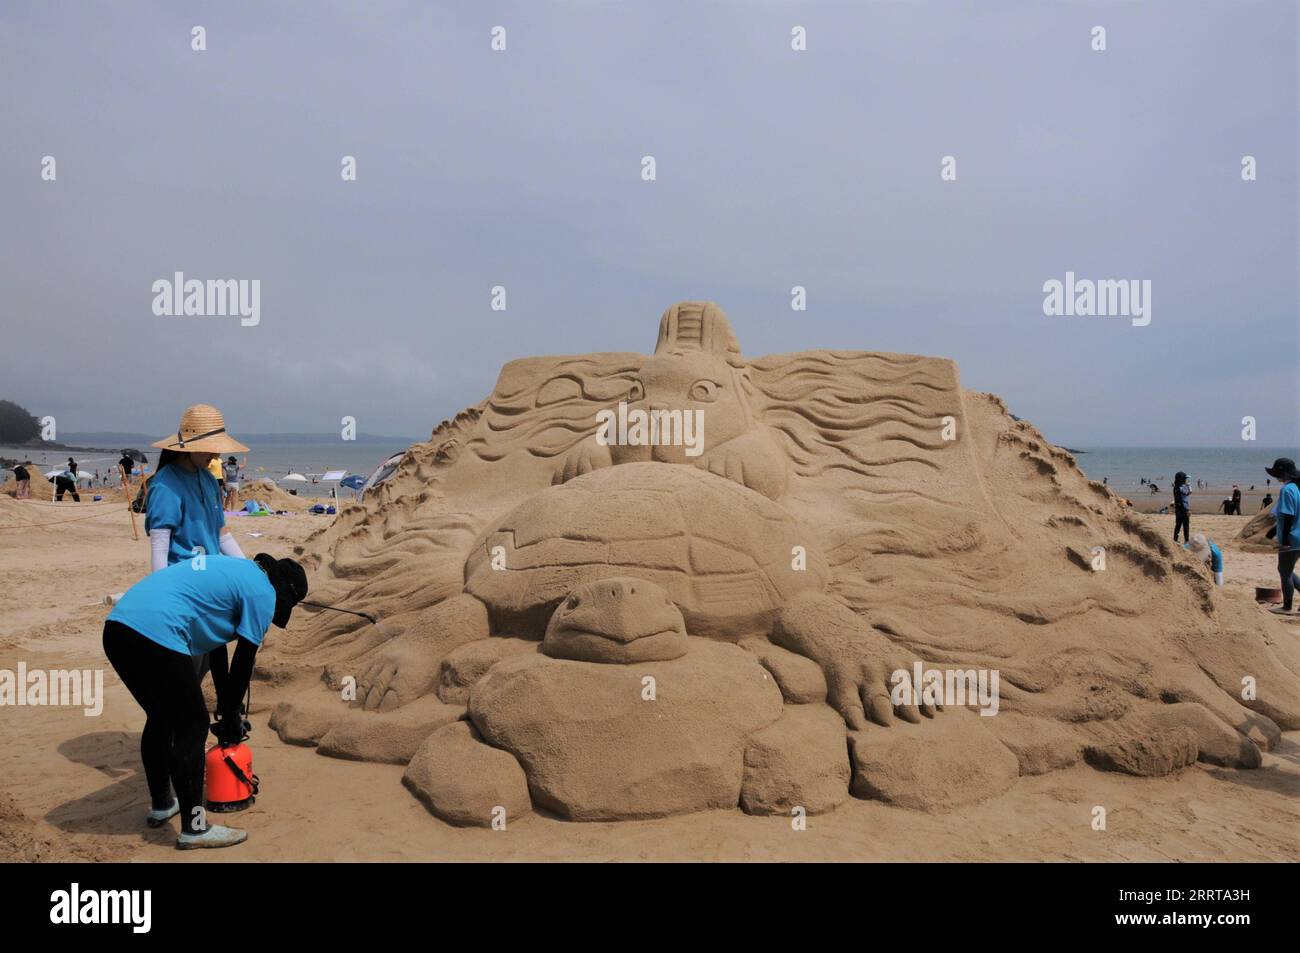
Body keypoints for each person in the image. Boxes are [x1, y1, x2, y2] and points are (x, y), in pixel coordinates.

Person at [102, 553, 307, 849]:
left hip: (119, 629)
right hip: (155, 630)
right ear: (283, 593)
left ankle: (162, 803)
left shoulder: (238, 573)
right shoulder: (263, 591)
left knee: (162, 717)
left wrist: (228, 709)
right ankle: (195, 828)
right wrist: (231, 720)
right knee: (193, 724)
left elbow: (217, 651)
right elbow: (243, 662)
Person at [1265, 457, 1300, 615]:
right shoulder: (1297, 487)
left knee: (1285, 571)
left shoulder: (1287, 490)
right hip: (1298, 536)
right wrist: (1272, 532)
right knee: (1286, 569)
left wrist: (1284, 540)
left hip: (1291, 538)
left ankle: (1287, 607)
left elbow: (1288, 516)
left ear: (1284, 473)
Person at [1172, 471, 1190, 543]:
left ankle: (1175, 539)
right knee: (1185, 525)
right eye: (1185, 478)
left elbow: (1186, 494)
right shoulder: (1180, 488)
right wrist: (1187, 510)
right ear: (1181, 479)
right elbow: (1186, 495)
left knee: (1178, 524)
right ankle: (1186, 540)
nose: (1186, 480)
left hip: (1178, 508)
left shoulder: (1176, 487)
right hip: (1183, 508)